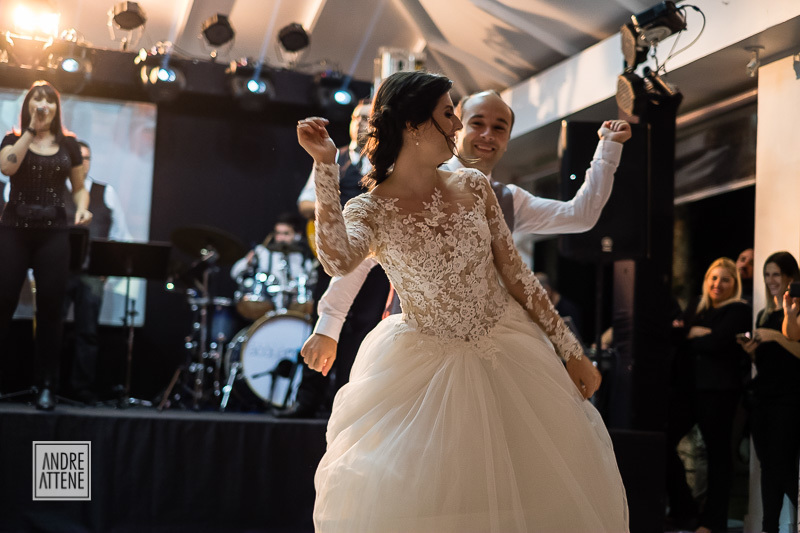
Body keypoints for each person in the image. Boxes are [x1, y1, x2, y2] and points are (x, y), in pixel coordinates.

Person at [296, 70, 628, 532]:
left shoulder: (475, 187)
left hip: (509, 352)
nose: (457, 125)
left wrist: (571, 351)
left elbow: (518, 276)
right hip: (421, 367)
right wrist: (325, 166)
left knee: (530, 490)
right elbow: (337, 262)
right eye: (451, 114)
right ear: (413, 124)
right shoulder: (371, 208)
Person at [0, 81, 92, 411]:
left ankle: (46, 386)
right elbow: (6, 166)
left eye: (48, 101)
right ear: (28, 107)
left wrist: (82, 206)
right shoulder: (12, 140)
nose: (43, 106)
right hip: (14, 229)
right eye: (36, 101)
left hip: (54, 231)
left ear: (56, 108)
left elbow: (79, 188)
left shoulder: (68, 145)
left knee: (51, 311)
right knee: (3, 302)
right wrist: (29, 132)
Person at [665, 257, 751, 533]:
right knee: (663, 443)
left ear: (734, 284)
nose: (718, 284)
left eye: (725, 279)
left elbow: (718, 342)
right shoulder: (695, 306)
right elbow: (672, 336)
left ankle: (712, 522)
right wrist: (691, 333)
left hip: (719, 392)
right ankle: (684, 510)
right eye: (714, 278)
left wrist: (690, 337)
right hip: (686, 389)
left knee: (718, 457)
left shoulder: (738, 310)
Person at [58, 140, 133, 404]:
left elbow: (120, 236)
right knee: (51, 329)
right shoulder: (54, 191)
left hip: (91, 273)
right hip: (58, 271)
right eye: (77, 158)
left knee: (87, 332)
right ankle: (47, 384)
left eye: (86, 158)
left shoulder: (105, 192)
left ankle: (82, 388)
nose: (82, 163)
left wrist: (108, 268)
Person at [738, 251, 800, 533]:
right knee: (766, 465)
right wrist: (752, 353)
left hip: (788, 398)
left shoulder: (795, 309)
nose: (771, 280)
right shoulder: (764, 312)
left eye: (776, 274)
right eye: (767, 274)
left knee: (782, 465)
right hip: (763, 397)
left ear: (789, 277)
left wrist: (774, 336)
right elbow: (770, 362)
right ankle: (769, 527)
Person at [230, 213, 313, 320]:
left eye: (286, 233)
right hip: (266, 307)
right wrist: (248, 262)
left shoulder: (302, 256)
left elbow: (311, 280)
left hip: (293, 308)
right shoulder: (263, 252)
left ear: (297, 235)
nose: (281, 238)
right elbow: (235, 272)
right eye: (278, 233)